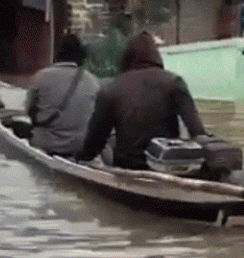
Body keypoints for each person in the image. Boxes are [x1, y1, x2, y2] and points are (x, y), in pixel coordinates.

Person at [76, 31, 207, 170]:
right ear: (156, 57)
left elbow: (94, 143)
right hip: (167, 167)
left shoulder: (110, 90)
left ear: (126, 57)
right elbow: (197, 133)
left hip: (127, 167)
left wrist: (79, 158)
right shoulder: (174, 82)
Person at [25, 34, 99, 156]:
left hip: (45, 143)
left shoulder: (41, 77)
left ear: (57, 54)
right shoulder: (93, 81)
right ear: (81, 57)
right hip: (78, 145)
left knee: (19, 127)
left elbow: (28, 111)